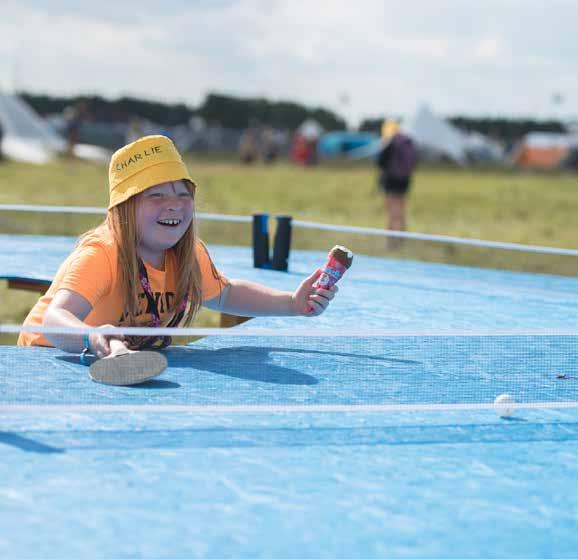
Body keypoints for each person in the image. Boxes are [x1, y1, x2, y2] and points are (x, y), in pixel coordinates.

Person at [18, 135, 338, 359]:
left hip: (118, 365)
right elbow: (53, 319)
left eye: (183, 195)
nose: (174, 206)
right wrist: (92, 337)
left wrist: (292, 304)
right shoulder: (101, 255)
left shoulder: (188, 253)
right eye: (156, 195)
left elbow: (225, 293)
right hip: (51, 362)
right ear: (125, 207)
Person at [376, 119, 417, 249]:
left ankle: (391, 242)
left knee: (392, 212)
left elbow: (380, 162)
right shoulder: (406, 141)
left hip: (391, 181)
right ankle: (403, 238)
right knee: (402, 210)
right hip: (404, 180)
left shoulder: (390, 142)